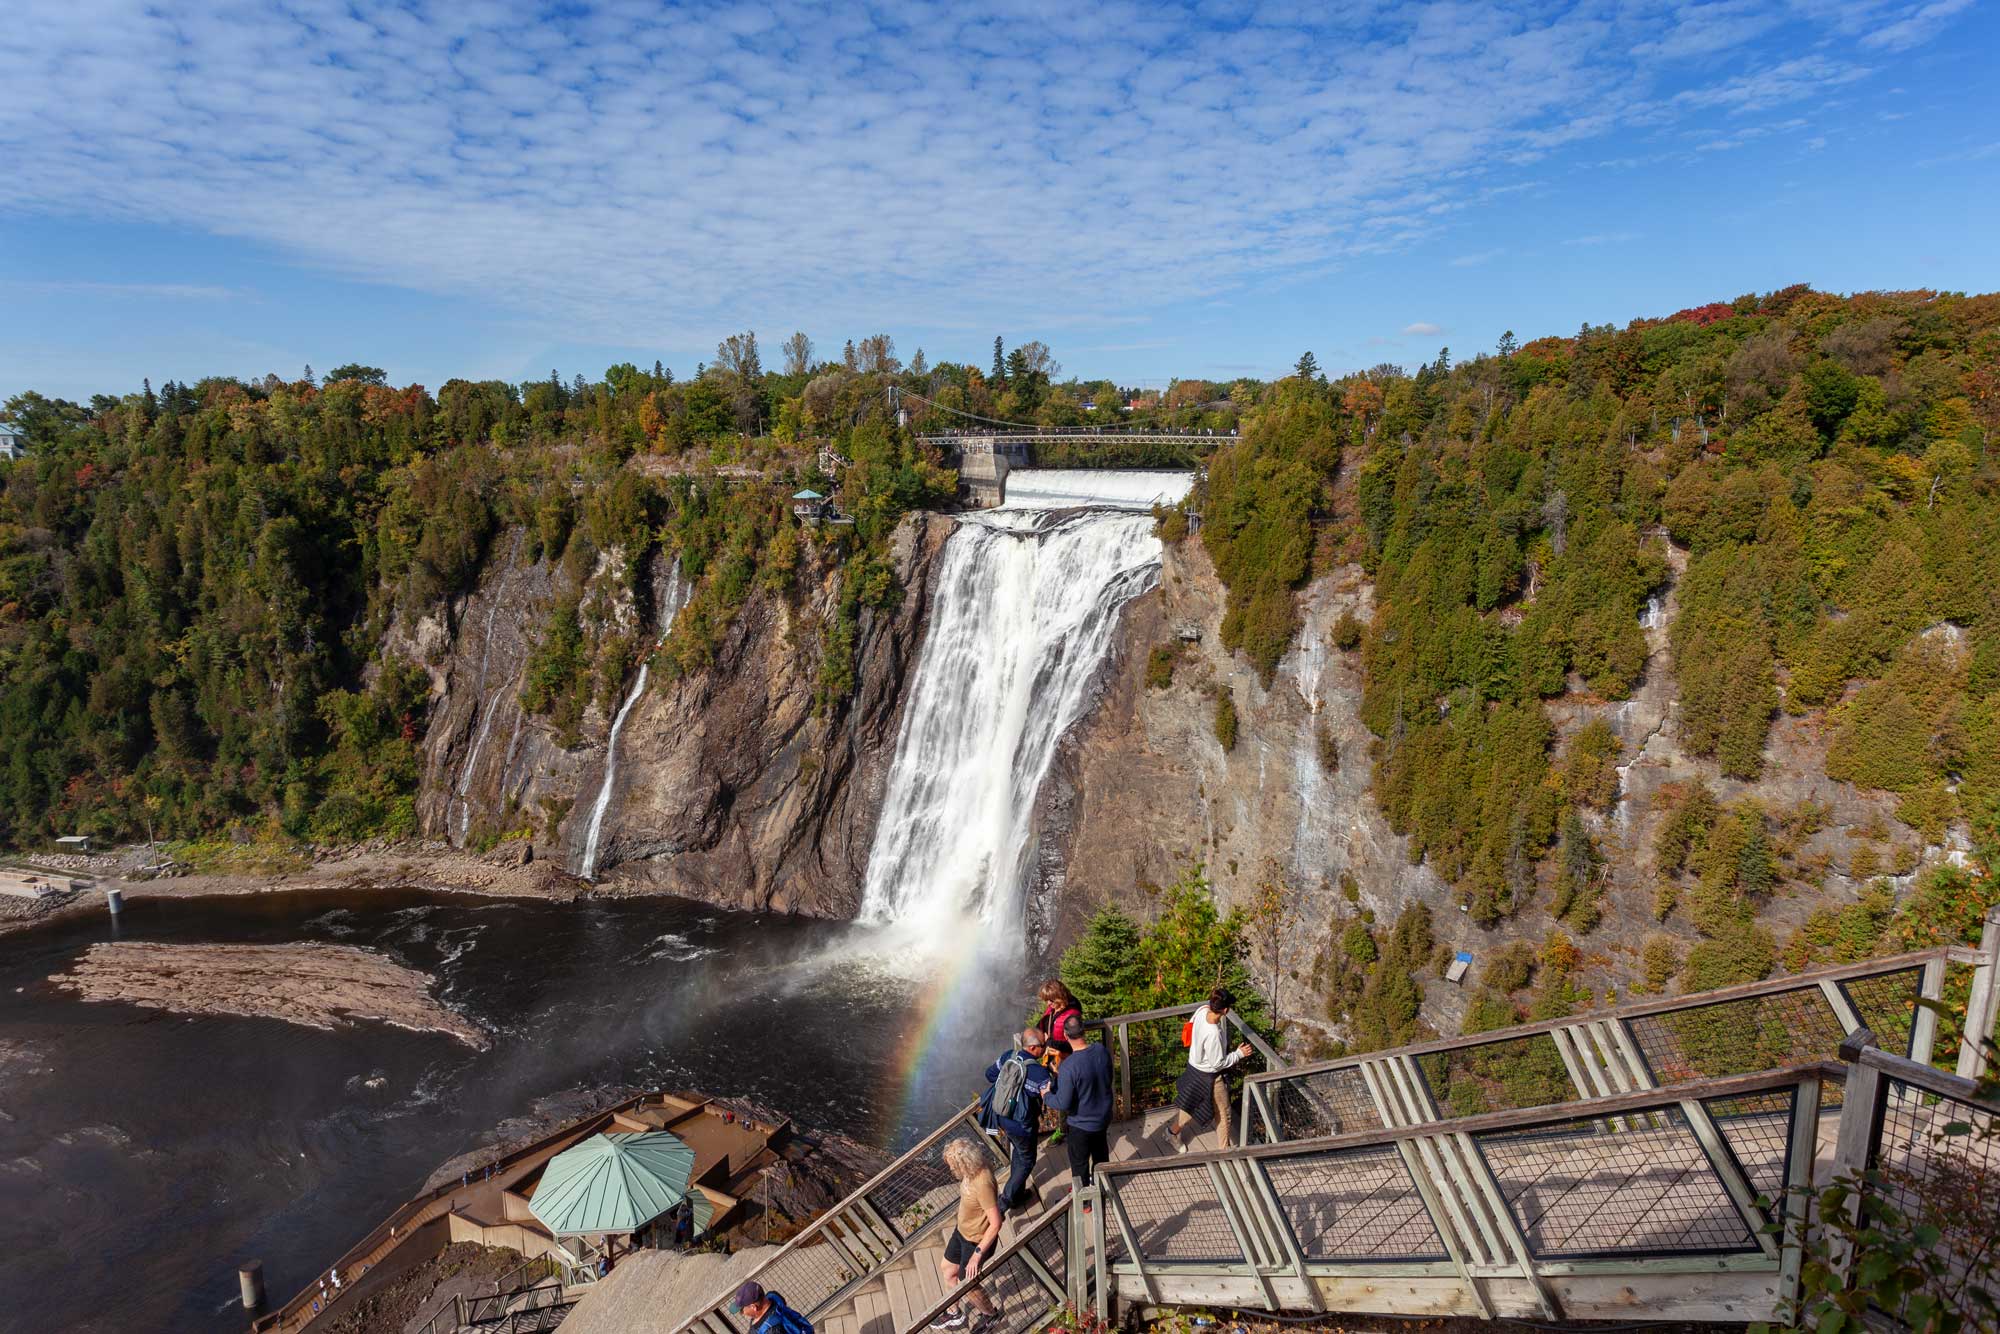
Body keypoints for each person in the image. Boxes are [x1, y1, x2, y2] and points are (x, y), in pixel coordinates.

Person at [1170, 987, 1254, 1151]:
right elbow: (1217, 1063)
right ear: (1225, 1010)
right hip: (1209, 1076)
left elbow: (1191, 1026)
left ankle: (1171, 1132)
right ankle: (1224, 1151)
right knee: (1223, 1112)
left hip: (1194, 1067)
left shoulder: (1202, 1011)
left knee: (1191, 1104)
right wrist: (1239, 1054)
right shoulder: (1213, 1033)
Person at [933, 1138, 1002, 1329]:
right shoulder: (972, 1170)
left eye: (953, 1165)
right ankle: (954, 1313)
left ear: (964, 1163)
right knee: (948, 1269)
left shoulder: (982, 1183)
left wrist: (976, 1256)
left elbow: (996, 1223)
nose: (951, 1169)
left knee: (968, 1286)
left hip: (976, 1241)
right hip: (962, 1231)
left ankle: (991, 1314)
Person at [983, 1026, 1054, 1211]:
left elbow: (990, 1074)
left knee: (1019, 1153)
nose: (1045, 1048)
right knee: (1028, 1159)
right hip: (1022, 1124)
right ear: (1032, 1048)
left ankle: (1018, 1194)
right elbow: (1052, 1097)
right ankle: (1005, 1201)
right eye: (1043, 1045)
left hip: (1001, 1116)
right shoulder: (1039, 1072)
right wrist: (1054, 1072)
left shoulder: (1008, 1056)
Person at [1043, 1014, 1112, 1192]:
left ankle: (1086, 1200)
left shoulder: (1069, 1066)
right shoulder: (1101, 1051)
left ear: (1066, 1036)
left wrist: (1046, 1095)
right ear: (1084, 1031)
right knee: (1100, 1155)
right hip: (1102, 1118)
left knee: (1079, 1162)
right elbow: (1106, 1078)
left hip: (1081, 1124)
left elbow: (1063, 1102)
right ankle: (1102, 1187)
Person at [1034, 980, 1081, 1142]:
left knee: (1066, 1093)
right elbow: (1045, 1023)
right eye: (1046, 1000)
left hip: (1066, 1060)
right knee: (1060, 1091)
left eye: (1050, 1000)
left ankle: (1067, 1129)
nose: (1048, 1004)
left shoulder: (1072, 1013)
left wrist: (1049, 1042)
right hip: (1054, 1059)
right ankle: (1064, 1127)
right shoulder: (1056, 1007)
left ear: (1059, 997)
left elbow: (1072, 1041)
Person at [731, 1281, 813, 1334]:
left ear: (753, 1307)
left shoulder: (771, 1330)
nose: (743, 1313)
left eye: (742, 1311)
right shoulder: (773, 1297)